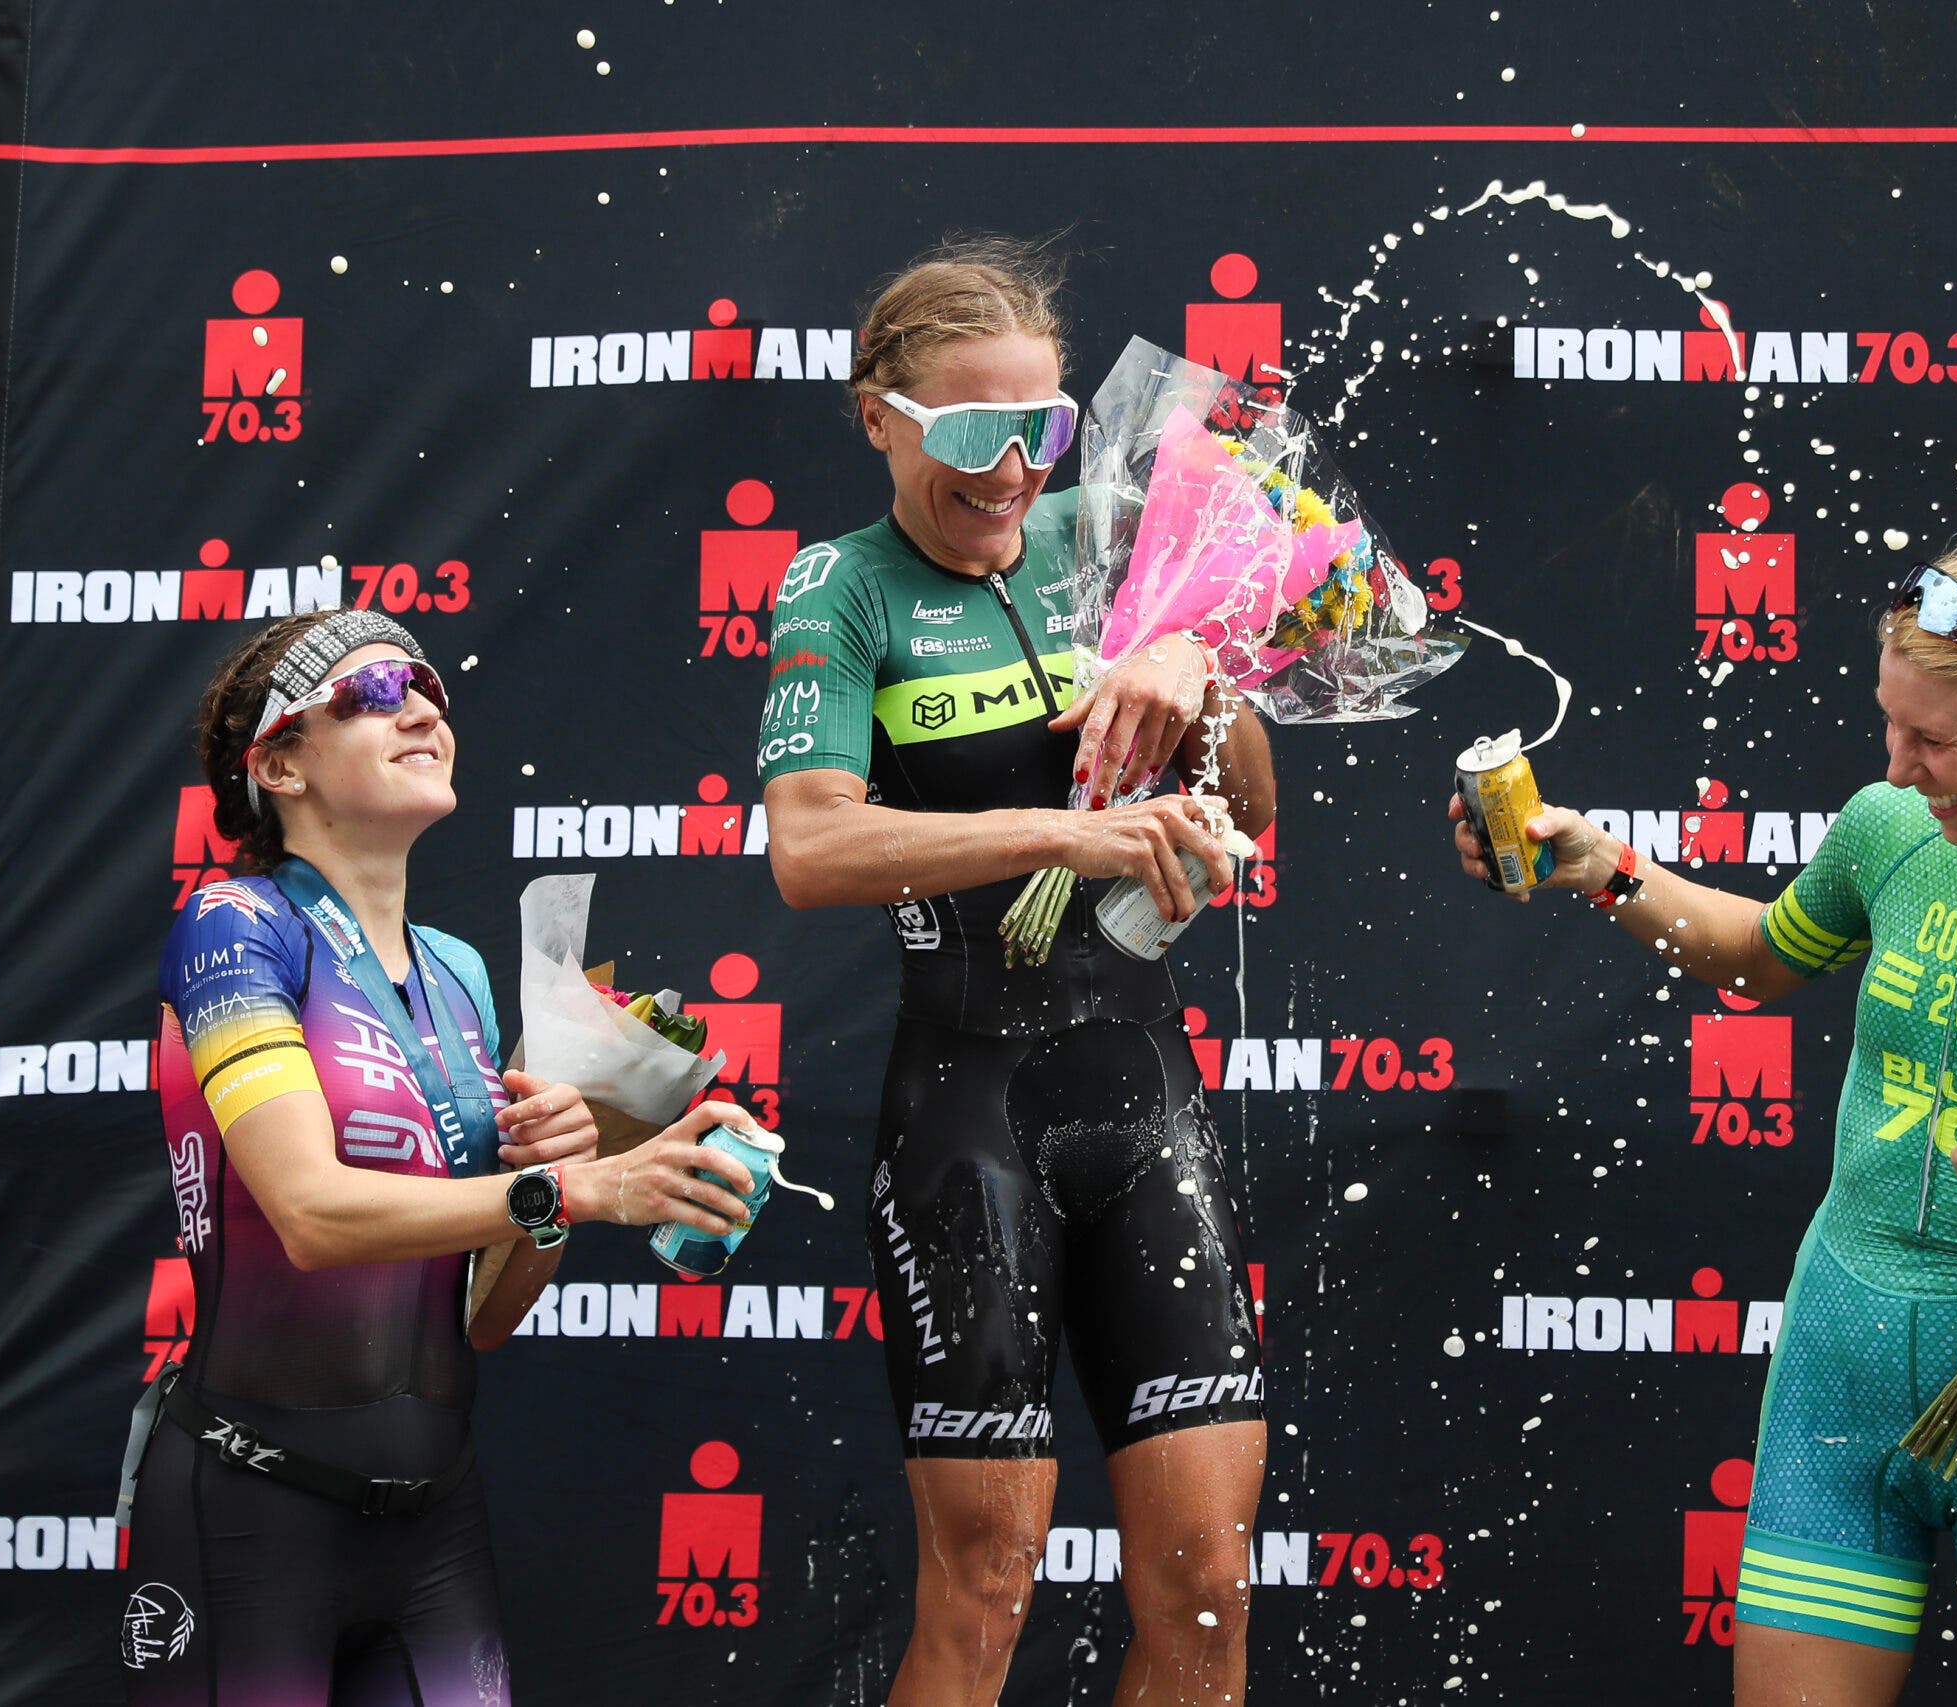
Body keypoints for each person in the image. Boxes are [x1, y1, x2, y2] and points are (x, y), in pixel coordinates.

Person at [1450, 538, 1957, 1706]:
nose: (1897, 769)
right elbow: (1756, 962)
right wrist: (1602, 870)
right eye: (1889, 726)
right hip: (1832, 1385)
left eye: (1933, 740)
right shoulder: (1888, 832)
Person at [760, 237, 1277, 1707]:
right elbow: (809, 845)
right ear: (881, 418)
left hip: (1144, 1105)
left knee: (1205, 1593)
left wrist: (1201, 665)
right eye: (975, 435)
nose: (1013, 476)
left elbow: (1253, 801)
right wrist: (1075, 827)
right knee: (983, 1597)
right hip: (969, 1123)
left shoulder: (1112, 539)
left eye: (1042, 433)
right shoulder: (839, 587)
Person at [123, 610, 769, 1705]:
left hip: (432, 1525)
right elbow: (312, 1217)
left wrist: (579, 1165)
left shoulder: (462, 972)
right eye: (373, 694)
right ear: (280, 763)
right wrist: (577, 1185)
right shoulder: (235, 926)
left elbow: (482, 1317)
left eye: (427, 686)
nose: (422, 706)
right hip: (251, 1509)